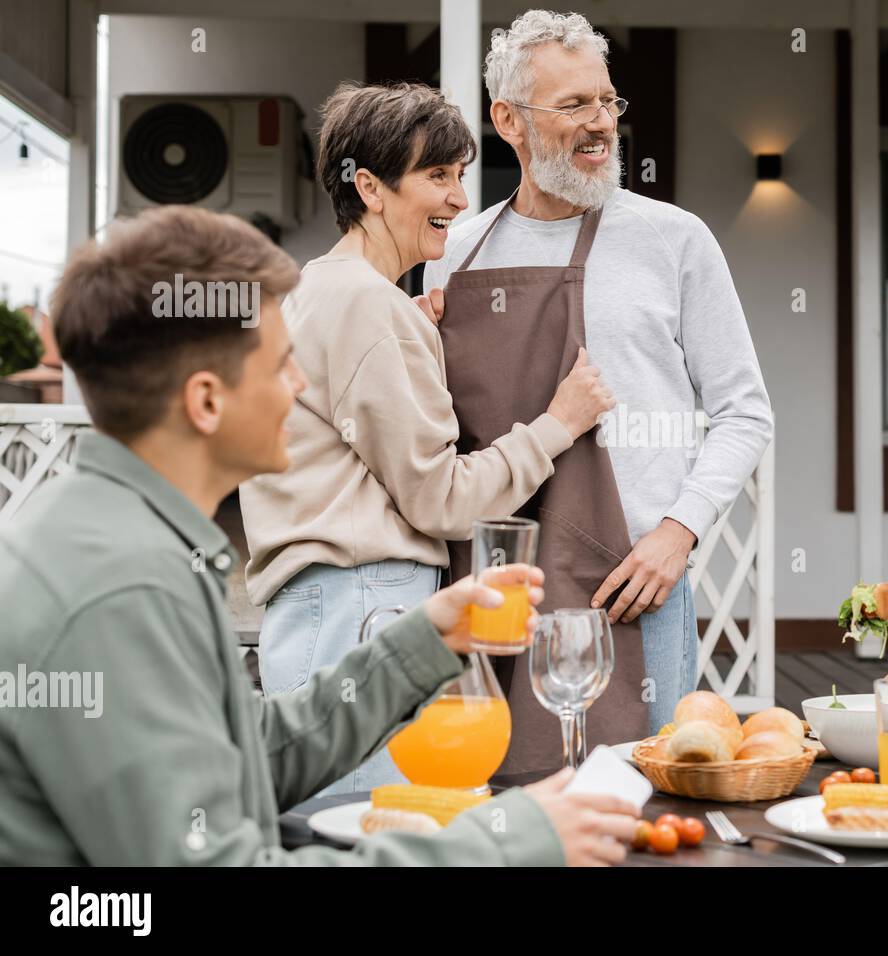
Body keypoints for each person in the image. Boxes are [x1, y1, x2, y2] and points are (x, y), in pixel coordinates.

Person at [0, 204, 638, 865]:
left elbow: (244, 756)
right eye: (282, 366)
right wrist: (510, 844)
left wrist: (421, 644)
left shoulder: (126, 541)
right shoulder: (118, 590)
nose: (301, 386)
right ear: (207, 402)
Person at [239, 81, 614, 793]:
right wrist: (558, 425)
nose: (460, 199)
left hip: (325, 610)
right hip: (364, 607)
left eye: (461, 175)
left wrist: (415, 334)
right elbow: (441, 501)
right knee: (374, 835)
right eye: (437, 176)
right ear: (371, 188)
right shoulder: (365, 306)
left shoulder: (322, 291)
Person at [424, 10, 774, 747]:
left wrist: (678, 533)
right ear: (507, 120)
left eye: (607, 102)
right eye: (574, 105)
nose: (600, 124)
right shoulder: (455, 251)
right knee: (500, 811)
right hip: (490, 589)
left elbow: (746, 413)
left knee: (641, 814)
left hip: (632, 588)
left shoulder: (674, 240)